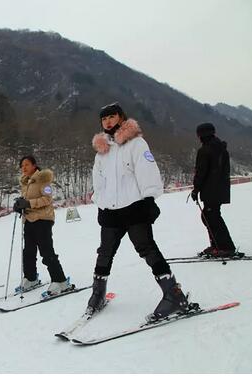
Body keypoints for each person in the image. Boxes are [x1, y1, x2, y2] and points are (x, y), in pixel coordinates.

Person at [88, 102, 189, 321]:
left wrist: (149, 199)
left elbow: (147, 171)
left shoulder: (136, 144)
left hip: (134, 207)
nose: (107, 121)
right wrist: (101, 203)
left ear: (121, 118)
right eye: (104, 119)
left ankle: (173, 295)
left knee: (147, 249)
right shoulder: (101, 152)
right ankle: (98, 293)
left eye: (112, 117)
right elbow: (99, 182)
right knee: (105, 253)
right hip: (111, 212)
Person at [13, 155, 73, 295]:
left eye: (27, 165)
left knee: (46, 252)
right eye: (22, 166)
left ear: (34, 165)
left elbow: (47, 199)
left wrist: (29, 203)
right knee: (28, 252)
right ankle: (30, 277)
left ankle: (60, 281)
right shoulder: (26, 183)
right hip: (29, 220)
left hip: (43, 219)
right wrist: (20, 205)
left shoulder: (43, 181)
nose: (24, 168)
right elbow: (26, 200)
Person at [191, 123, 236, 258]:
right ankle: (217, 245)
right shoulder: (222, 149)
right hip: (220, 189)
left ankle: (225, 247)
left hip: (211, 190)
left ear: (202, 135)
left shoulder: (205, 150)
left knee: (212, 218)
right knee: (210, 217)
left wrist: (196, 189)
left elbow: (201, 172)